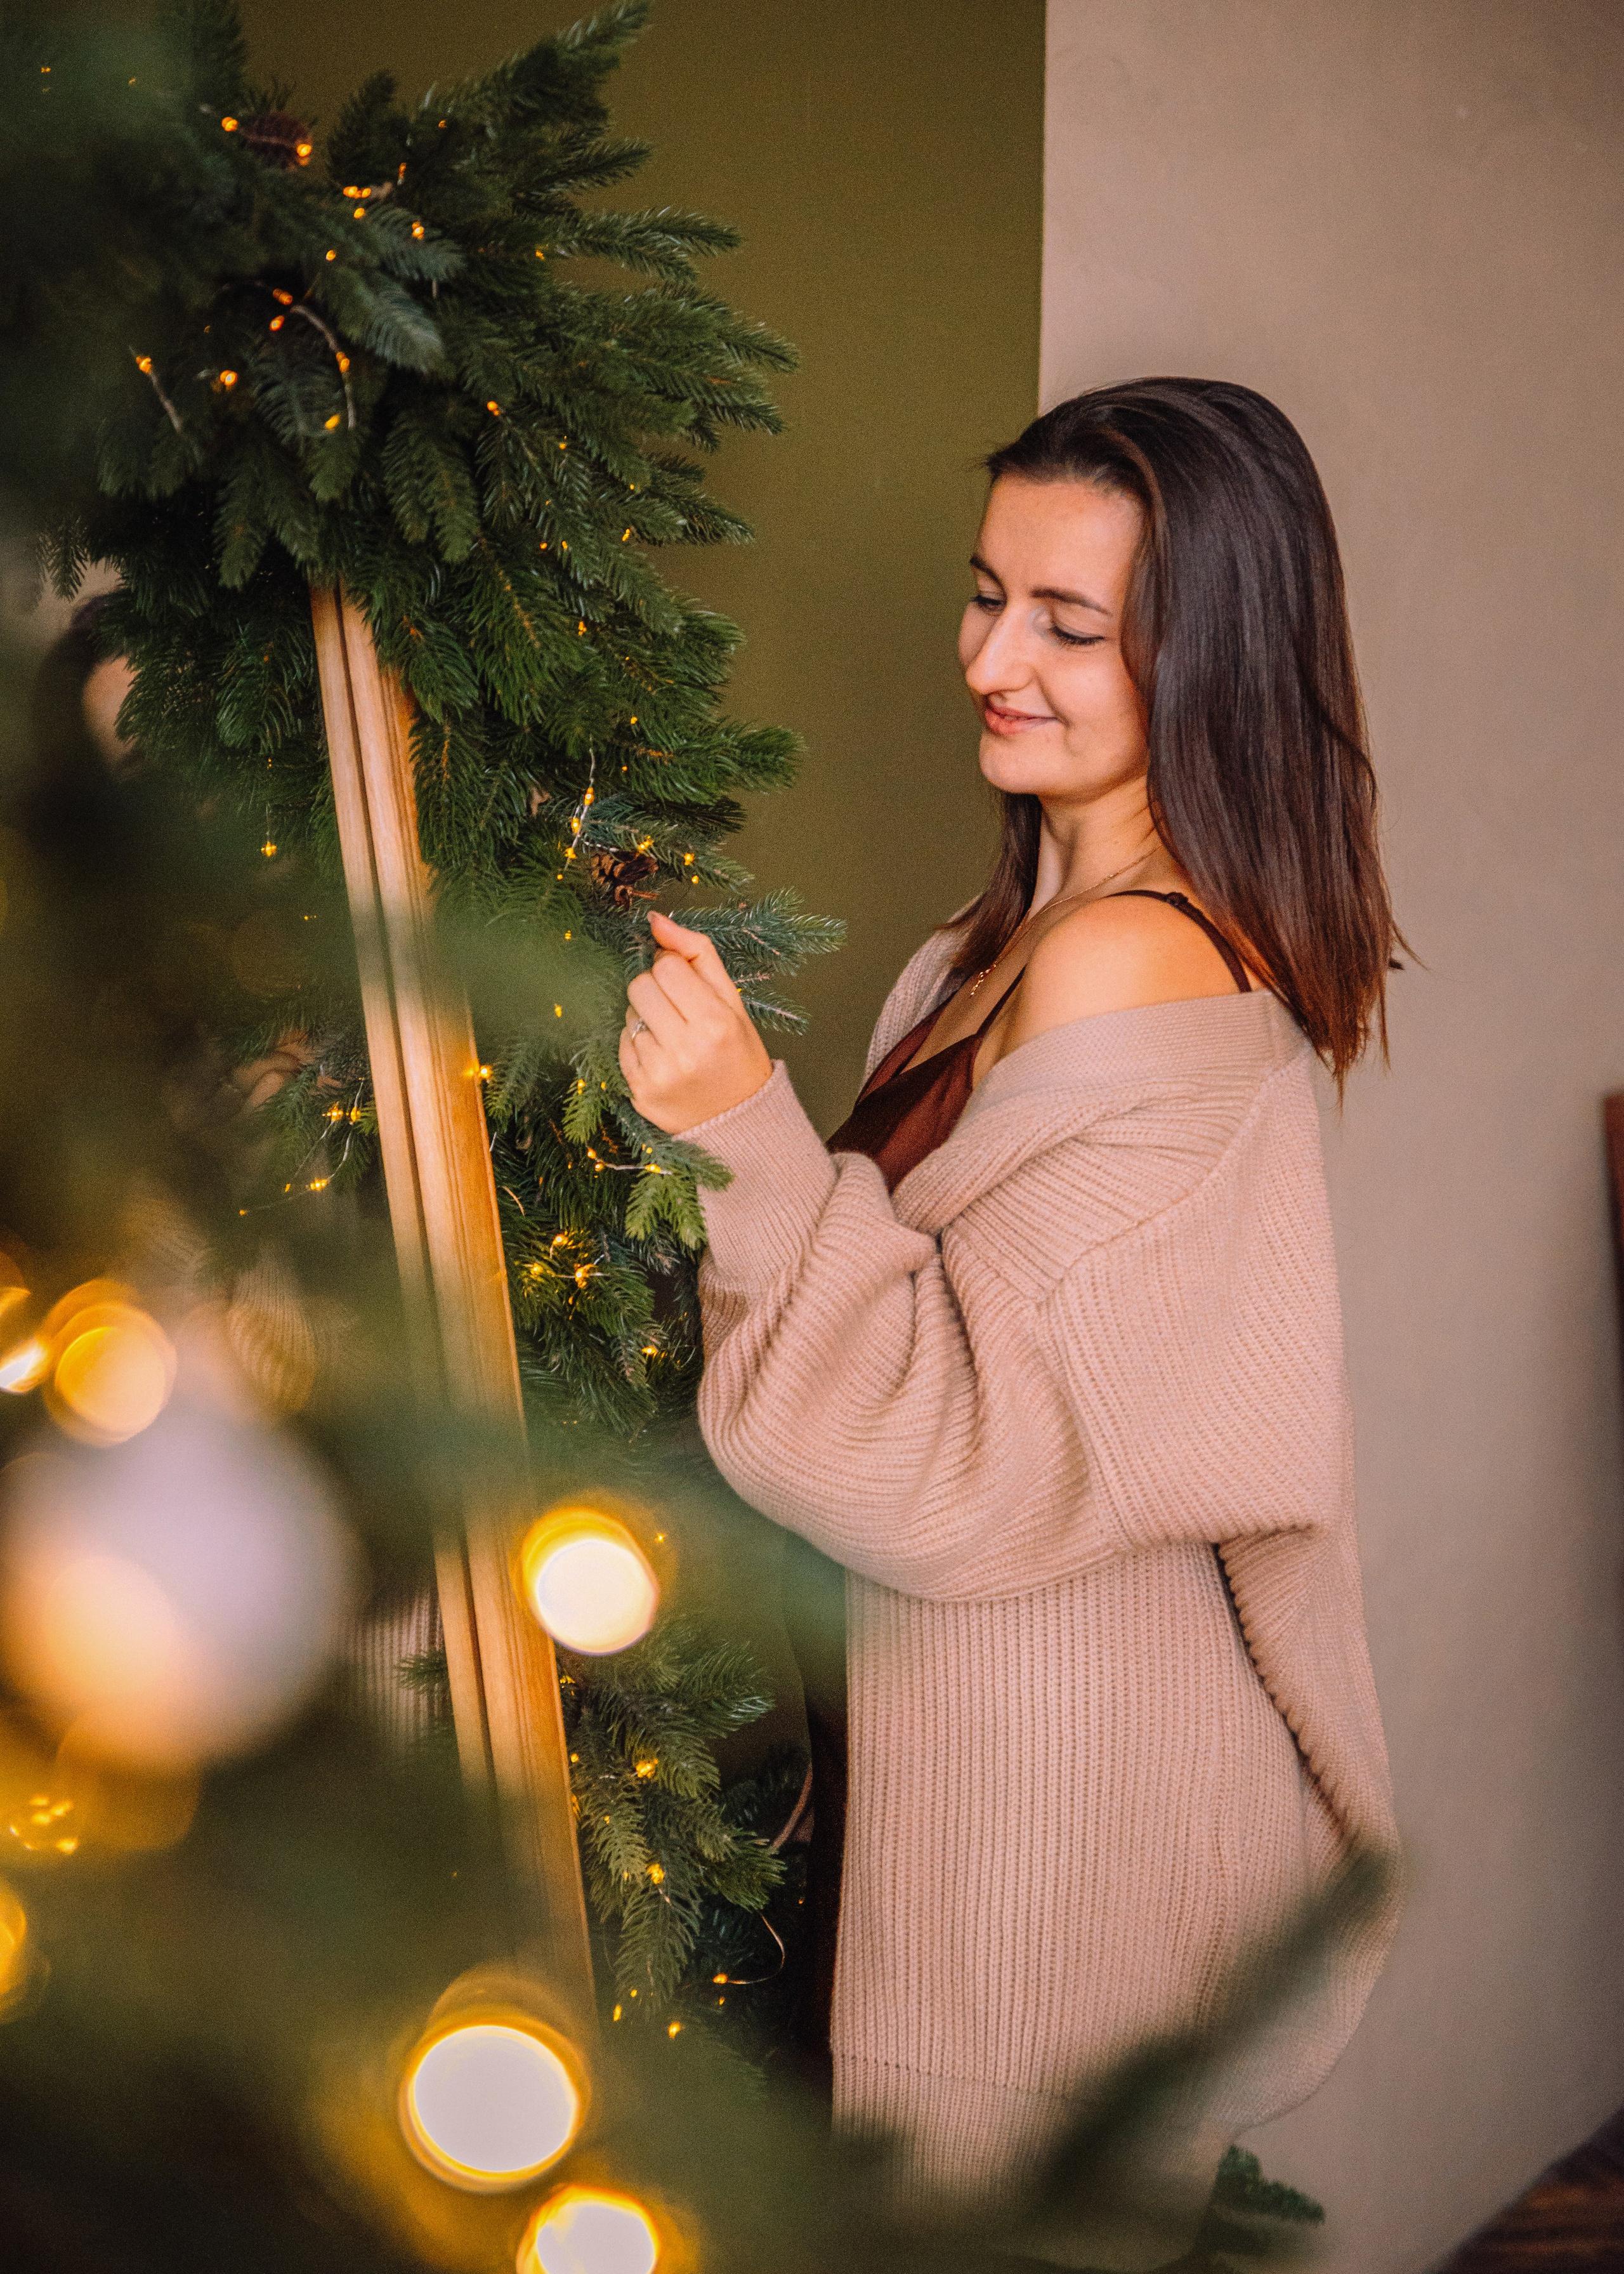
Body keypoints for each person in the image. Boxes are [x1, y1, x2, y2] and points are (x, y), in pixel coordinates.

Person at [618, 378, 1399, 2236]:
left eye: (1072, 625)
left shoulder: (1140, 963)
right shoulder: (977, 958)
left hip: (1049, 1821)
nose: (994, 658)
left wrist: (731, 1116)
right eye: (988, 594)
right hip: (922, 1781)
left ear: (1211, 661)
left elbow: (954, 1455)